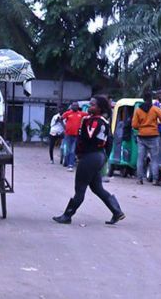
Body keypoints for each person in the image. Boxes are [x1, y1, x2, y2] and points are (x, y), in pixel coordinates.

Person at [53, 95, 126, 225]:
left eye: (93, 105)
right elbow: (108, 142)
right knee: (97, 188)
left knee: (80, 189)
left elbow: (87, 139)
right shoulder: (102, 121)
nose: (90, 107)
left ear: (100, 108)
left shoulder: (93, 121)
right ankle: (117, 211)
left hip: (90, 157)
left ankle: (67, 215)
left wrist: (80, 153)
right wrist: (104, 158)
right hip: (98, 156)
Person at [131, 91, 161, 184]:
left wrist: (141, 127)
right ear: (151, 99)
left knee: (140, 158)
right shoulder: (155, 109)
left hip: (141, 136)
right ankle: (155, 180)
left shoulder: (138, 110)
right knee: (154, 159)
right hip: (153, 136)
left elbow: (134, 125)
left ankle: (139, 179)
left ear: (143, 99)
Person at [62, 103, 85, 169]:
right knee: (67, 150)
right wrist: (64, 127)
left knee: (72, 150)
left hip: (76, 135)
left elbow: (89, 115)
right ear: (71, 106)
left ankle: (70, 165)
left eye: (76, 105)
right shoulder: (67, 113)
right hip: (68, 135)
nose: (74, 106)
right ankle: (66, 161)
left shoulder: (81, 114)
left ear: (78, 107)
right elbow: (60, 119)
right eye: (73, 105)